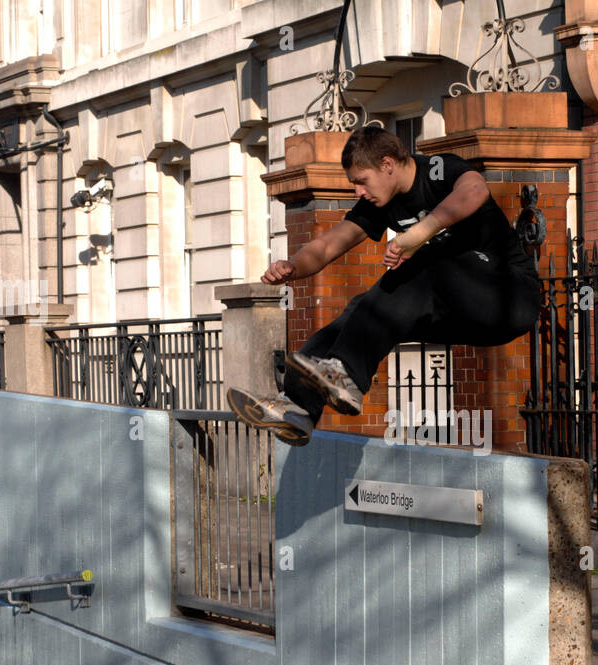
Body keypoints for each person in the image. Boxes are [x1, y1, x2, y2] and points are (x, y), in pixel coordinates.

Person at [226, 126, 543, 446]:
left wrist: (419, 234)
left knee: (421, 264)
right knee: (361, 309)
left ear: (388, 165)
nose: (358, 192)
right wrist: (293, 265)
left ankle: (347, 374)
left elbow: (475, 191)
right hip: (459, 313)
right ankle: (298, 407)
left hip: (509, 295)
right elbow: (328, 245)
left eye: (361, 181)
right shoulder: (379, 203)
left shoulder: (437, 170)